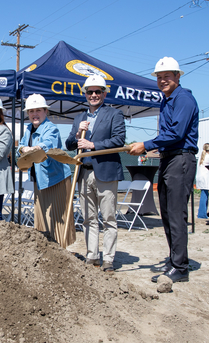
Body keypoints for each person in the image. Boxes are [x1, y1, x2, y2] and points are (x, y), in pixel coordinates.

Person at [129, 57, 199, 283]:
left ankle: (180, 268)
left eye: (167, 76)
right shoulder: (167, 101)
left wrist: (145, 145)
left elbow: (176, 135)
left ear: (178, 76)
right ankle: (174, 259)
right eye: (159, 77)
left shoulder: (184, 99)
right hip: (169, 159)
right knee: (167, 214)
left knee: (177, 214)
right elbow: (166, 137)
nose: (162, 80)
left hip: (181, 158)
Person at [66, 75, 126, 273]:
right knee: (88, 218)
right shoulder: (79, 118)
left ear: (104, 93)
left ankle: (108, 259)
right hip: (83, 172)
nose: (93, 95)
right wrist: (77, 135)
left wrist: (93, 145)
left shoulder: (114, 114)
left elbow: (119, 140)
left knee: (109, 218)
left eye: (97, 91)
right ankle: (92, 255)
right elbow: (69, 144)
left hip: (106, 172)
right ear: (85, 94)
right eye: (90, 92)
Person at [18, 94, 73, 244]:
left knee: (57, 220)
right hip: (39, 181)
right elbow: (20, 146)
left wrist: (33, 148)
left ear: (45, 111)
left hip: (56, 179)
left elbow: (48, 144)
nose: (34, 114)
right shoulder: (28, 129)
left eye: (38, 110)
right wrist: (24, 148)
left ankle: (61, 254)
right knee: (41, 220)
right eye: (31, 111)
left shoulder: (51, 128)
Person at [196, 143, 209, 224]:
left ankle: (203, 213)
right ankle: (202, 214)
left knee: (204, 195)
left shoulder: (202, 156)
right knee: (204, 196)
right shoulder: (207, 156)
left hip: (201, 178)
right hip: (205, 178)